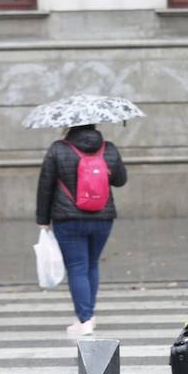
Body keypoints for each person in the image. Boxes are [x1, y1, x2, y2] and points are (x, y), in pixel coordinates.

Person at [35, 124, 127, 336]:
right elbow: (121, 180)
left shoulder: (57, 149)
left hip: (68, 218)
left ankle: (84, 319)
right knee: (91, 264)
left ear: (70, 127)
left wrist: (43, 218)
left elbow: (45, 185)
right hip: (103, 217)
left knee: (77, 266)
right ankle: (89, 315)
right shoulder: (109, 148)